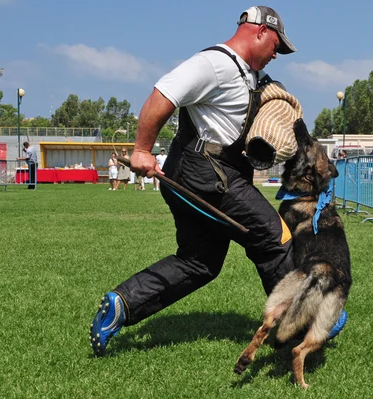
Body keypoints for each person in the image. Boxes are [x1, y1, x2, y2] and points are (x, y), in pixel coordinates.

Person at [89, 6, 345, 357]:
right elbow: (161, 97)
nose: (276, 55)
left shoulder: (247, 76)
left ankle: (122, 303)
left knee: (199, 262)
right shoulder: (214, 64)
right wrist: (142, 150)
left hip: (208, 172)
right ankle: (300, 327)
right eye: (275, 46)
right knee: (275, 237)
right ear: (259, 31)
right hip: (206, 172)